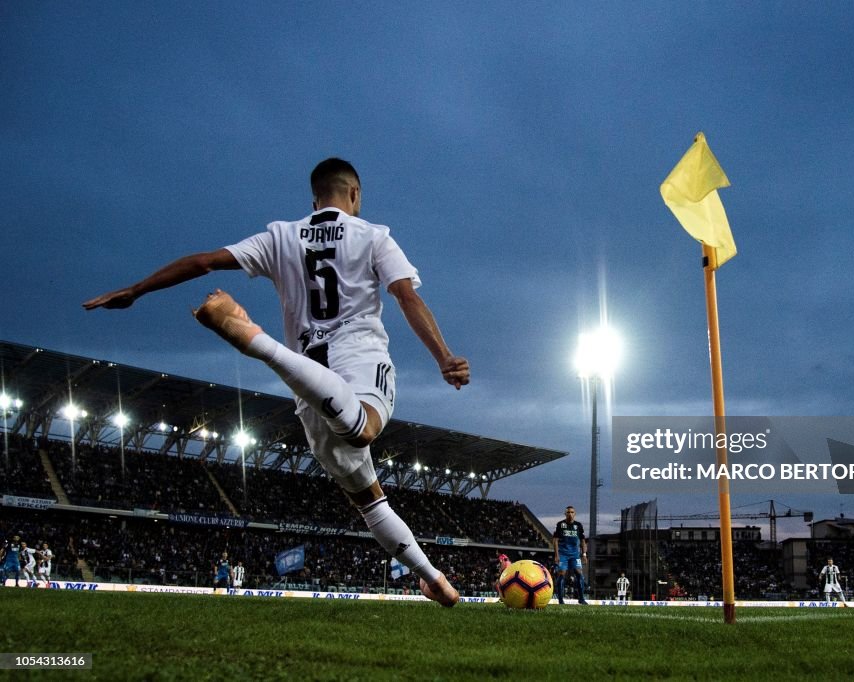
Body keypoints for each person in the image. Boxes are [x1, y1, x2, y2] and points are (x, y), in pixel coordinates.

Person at [83, 157, 468, 607]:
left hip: (307, 381)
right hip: (357, 359)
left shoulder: (281, 236)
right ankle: (259, 344)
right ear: (355, 195)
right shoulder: (373, 236)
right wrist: (443, 357)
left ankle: (431, 577)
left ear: (314, 198)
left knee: (369, 499)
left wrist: (137, 289)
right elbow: (405, 294)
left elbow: (204, 262)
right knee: (364, 427)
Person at [552, 505, 587, 605]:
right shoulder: (560, 524)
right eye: (568, 512)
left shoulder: (578, 526)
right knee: (561, 574)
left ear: (575, 514)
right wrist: (556, 555)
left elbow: (583, 540)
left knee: (579, 574)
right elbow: (555, 541)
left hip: (575, 555)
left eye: (572, 512)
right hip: (563, 554)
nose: (570, 514)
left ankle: (581, 599)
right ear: (565, 514)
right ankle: (560, 600)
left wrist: (584, 554)